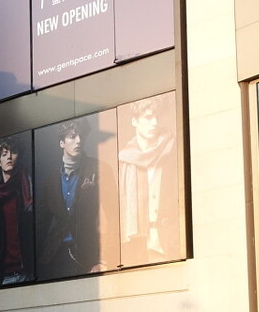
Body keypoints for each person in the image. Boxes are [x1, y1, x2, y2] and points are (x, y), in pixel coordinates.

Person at [36, 119, 108, 279]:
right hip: (55, 256)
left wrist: (104, 259)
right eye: (72, 136)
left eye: (81, 136)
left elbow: (114, 216)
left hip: (89, 255)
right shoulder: (50, 180)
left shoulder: (98, 169)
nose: (79, 141)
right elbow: (41, 225)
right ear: (61, 143)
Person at [118, 94, 179, 266]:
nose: (155, 123)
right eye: (148, 117)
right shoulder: (125, 160)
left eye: (157, 117)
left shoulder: (173, 150)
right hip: (137, 246)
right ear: (134, 121)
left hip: (170, 244)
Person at [0, 137, 34, 286]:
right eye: (4, 153)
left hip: (26, 273)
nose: (9, 157)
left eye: (13, 152)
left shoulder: (27, 189)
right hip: (1, 276)